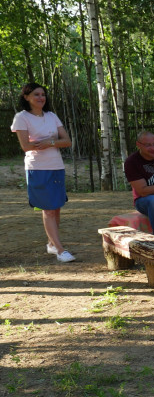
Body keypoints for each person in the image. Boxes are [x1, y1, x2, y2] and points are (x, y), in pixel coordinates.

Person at [10, 82, 75, 262]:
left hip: (56, 166)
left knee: (56, 207)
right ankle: (61, 251)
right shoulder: (21, 118)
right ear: (26, 97)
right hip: (37, 168)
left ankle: (52, 245)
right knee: (48, 210)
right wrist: (52, 140)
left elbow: (67, 141)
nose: (41, 98)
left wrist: (49, 142)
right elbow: (26, 146)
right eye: (36, 94)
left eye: (43, 94)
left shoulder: (52, 116)